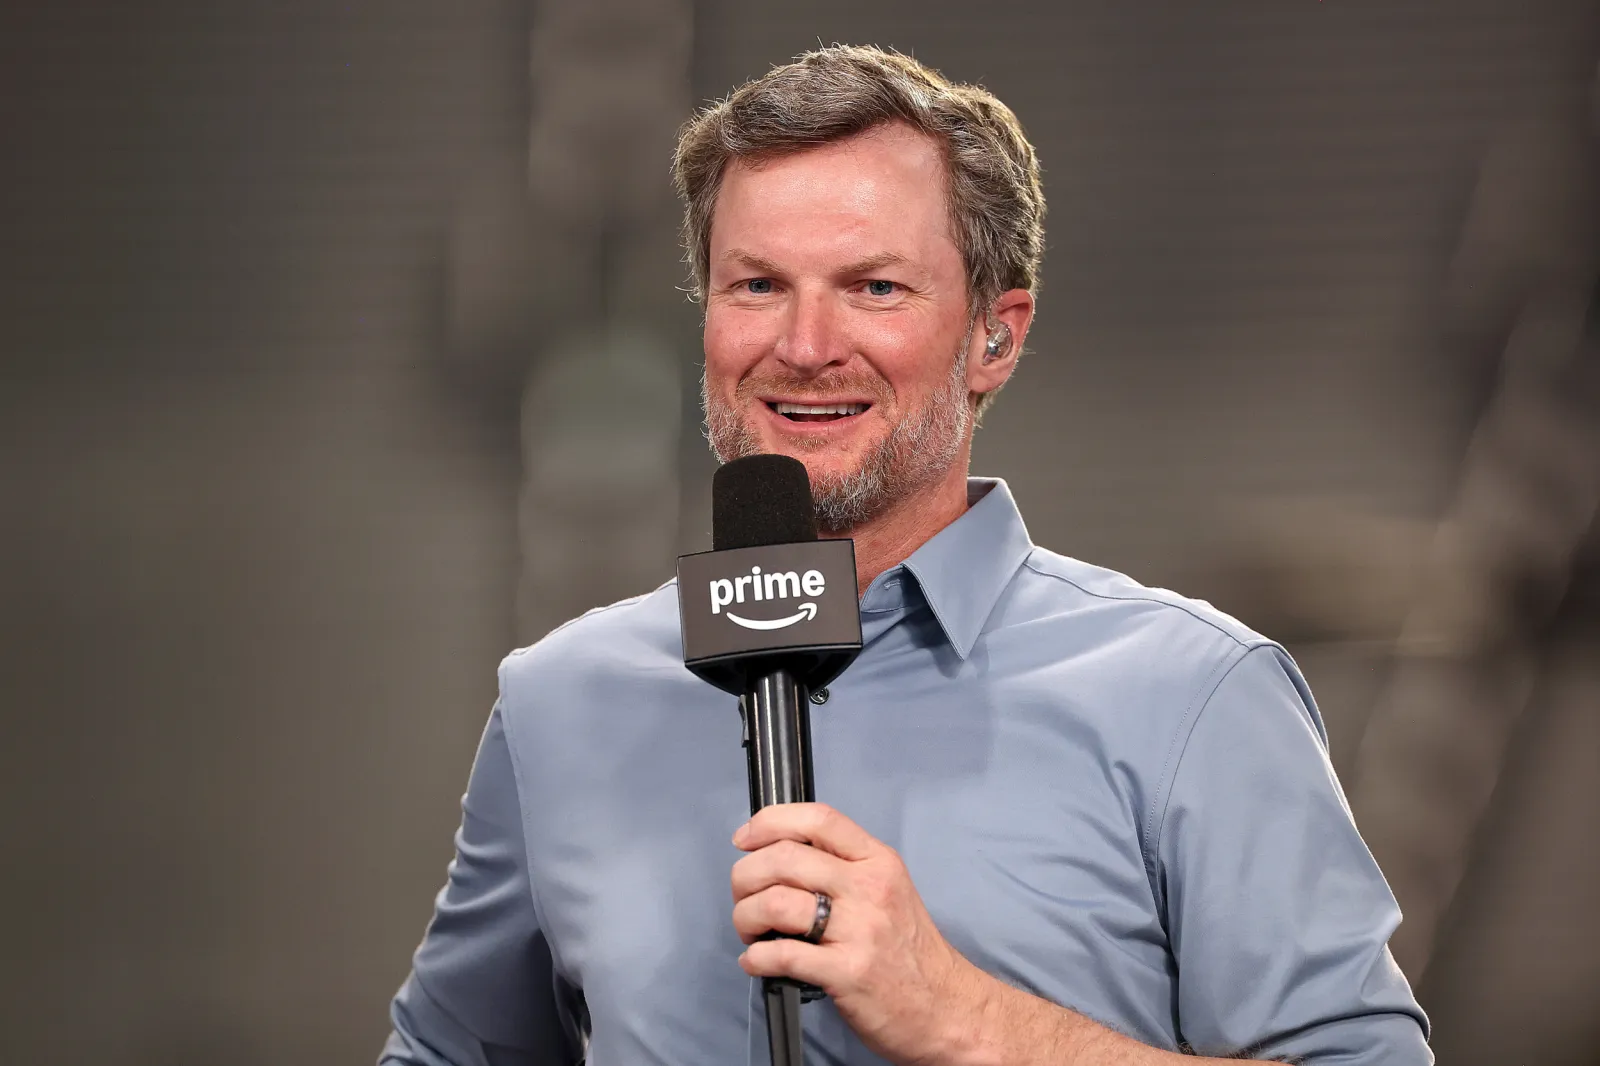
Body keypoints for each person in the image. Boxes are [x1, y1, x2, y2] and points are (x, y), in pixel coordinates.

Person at [381, 45, 1431, 1065]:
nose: (804, 346)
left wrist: (971, 1021)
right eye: (757, 285)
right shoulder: (561, 701)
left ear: (994, 337)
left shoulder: (1192, 696)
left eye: (874, 287)